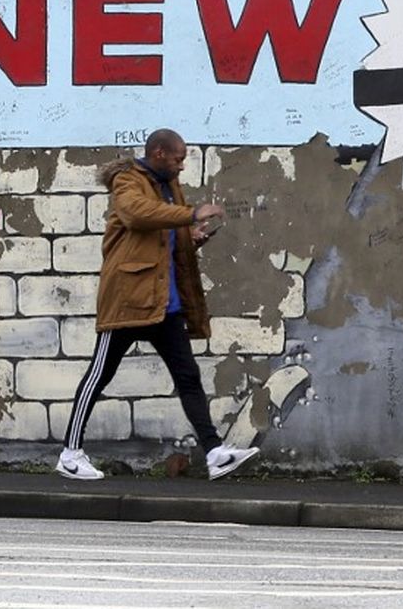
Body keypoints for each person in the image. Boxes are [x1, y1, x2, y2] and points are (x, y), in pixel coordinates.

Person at [56, 128, 260, 481]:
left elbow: (159, 233)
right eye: (178, 158)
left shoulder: (168, 184)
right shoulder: (127, 180)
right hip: (129, 301)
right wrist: (190, 215)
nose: (182, 166)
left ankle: (214, 453)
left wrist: (188, 237)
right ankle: (70, 455)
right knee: (98, 376)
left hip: (164, 304)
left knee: (188, 378)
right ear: (160, 153)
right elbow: (137, 214)